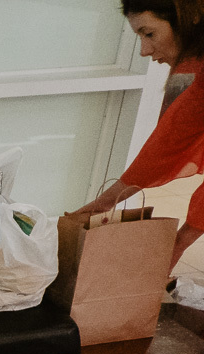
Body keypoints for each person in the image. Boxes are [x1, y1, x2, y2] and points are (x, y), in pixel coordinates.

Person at [71, 0, 204, 269]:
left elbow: (169, 143)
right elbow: (170, 138)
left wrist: (101, 204)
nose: (144, 51)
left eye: (149, 33)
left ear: (187, 18)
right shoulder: (194, 73)